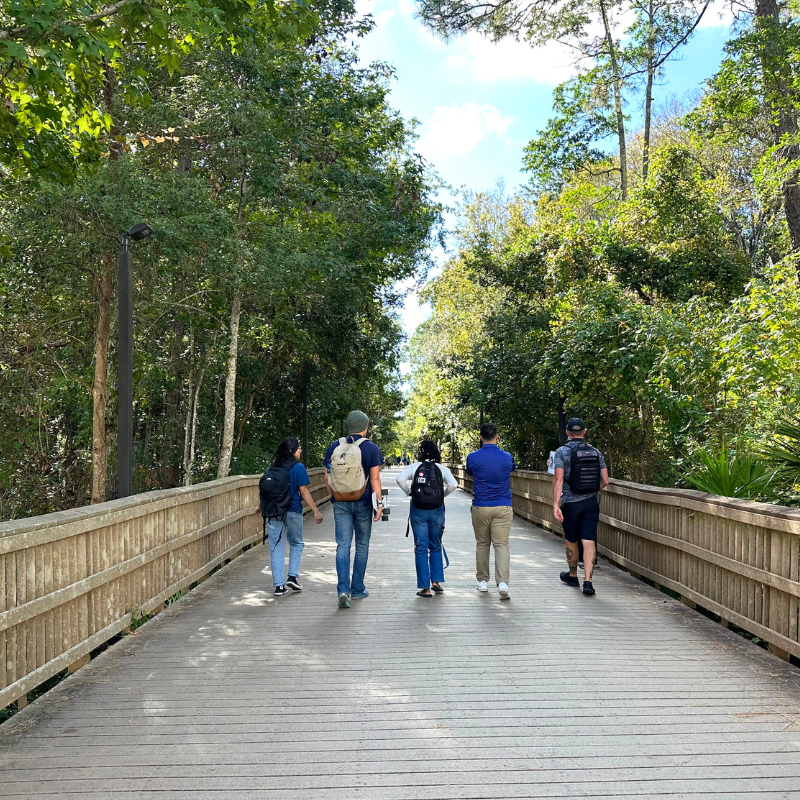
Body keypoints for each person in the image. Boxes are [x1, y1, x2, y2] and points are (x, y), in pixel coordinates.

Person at [323, 410, 383, 609]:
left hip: (341, 502)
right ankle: (357, 589)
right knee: (362, 544)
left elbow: (327, 478)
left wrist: (334, 497)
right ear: (366, 427)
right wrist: (380, 504)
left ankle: (342, 590)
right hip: (364, 502)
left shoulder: (334, 446)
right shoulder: (371, 448)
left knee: (342, 545)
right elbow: (374, 479)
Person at [552, 418, 610, 596]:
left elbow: (559, 480)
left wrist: (556, 504)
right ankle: (588, 581)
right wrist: (591, 491)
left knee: (572, 539)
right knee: (588, 539)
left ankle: (572, 575)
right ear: (584, 432)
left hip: (570, 503)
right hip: (591, 503)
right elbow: (605, 481)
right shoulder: (595, 452)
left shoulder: (562, 452)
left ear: (568, 433)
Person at [396, 441, 459, 596]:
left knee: (421, 548)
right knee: (435, 545)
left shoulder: (414, 467)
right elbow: (454, 484)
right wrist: (442, 496)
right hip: (437, 510)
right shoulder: (442, 469)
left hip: (418, 510)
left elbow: (399, 479)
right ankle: (436, 581)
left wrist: (409, 492)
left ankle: (425, 588)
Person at [265, 437, 324, 596]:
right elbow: (303, 491)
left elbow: (264, 490)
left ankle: (279, 586)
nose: (300, 451)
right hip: (293, 509)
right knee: (296, 543)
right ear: (292, 451)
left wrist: (260, 508)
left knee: (276, 546)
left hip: (273, 512)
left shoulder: (271, 468)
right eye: (299, 449)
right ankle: (292, 576)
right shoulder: (298, 468)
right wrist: (315, 511)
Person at [466, 422, 516, 599]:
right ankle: (502, 582)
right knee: (501, 544)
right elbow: (511, 469)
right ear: (497, 437)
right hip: (503, 505)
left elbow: (470, 473)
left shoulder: (472, 457)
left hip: (481, 505)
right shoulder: (507, 457)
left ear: (480, 437)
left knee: (482, 543)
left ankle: (482, 582)